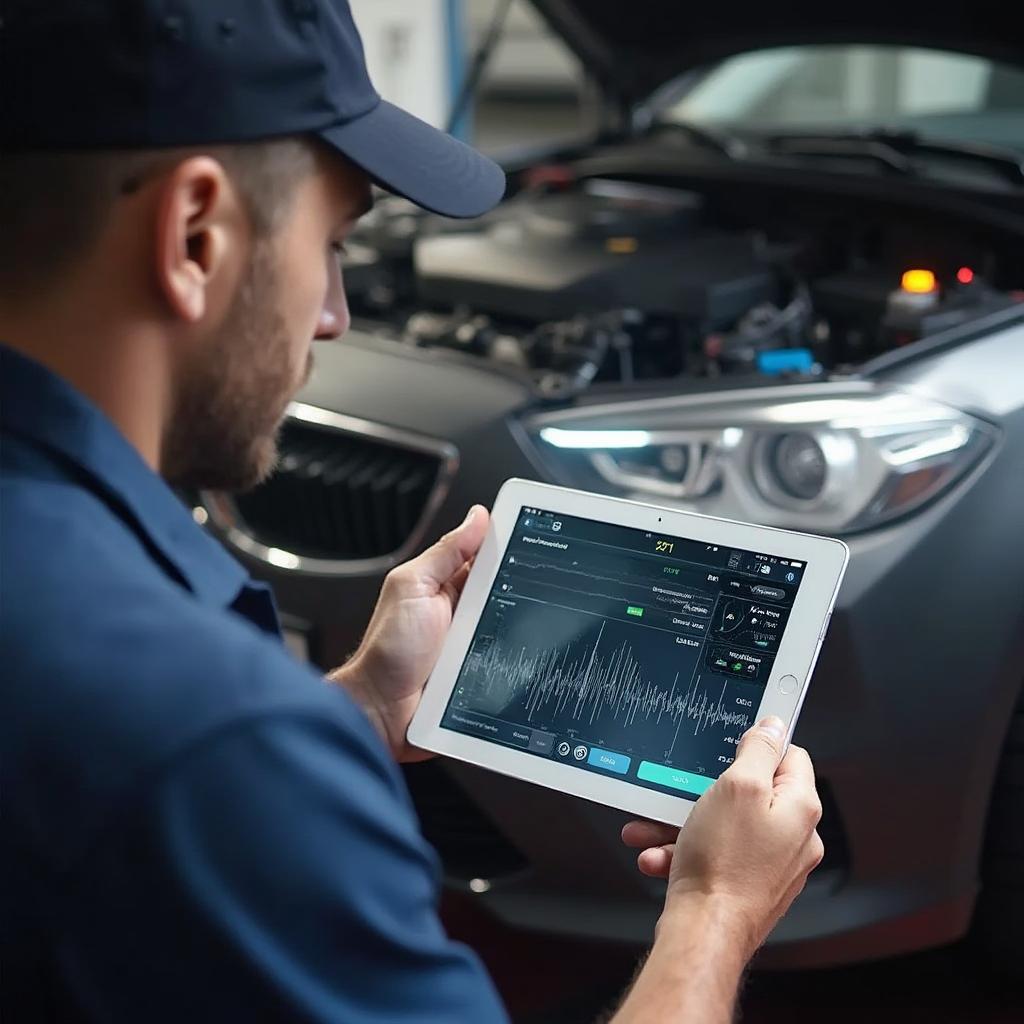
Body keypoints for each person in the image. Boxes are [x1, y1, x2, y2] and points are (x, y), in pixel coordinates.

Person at [0, 2, 824, 1020]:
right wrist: (718, 908)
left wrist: (354, 709)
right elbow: (170, 753)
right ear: (194, 234)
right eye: (334, 241)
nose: (338, 312)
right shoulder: (203, 734)